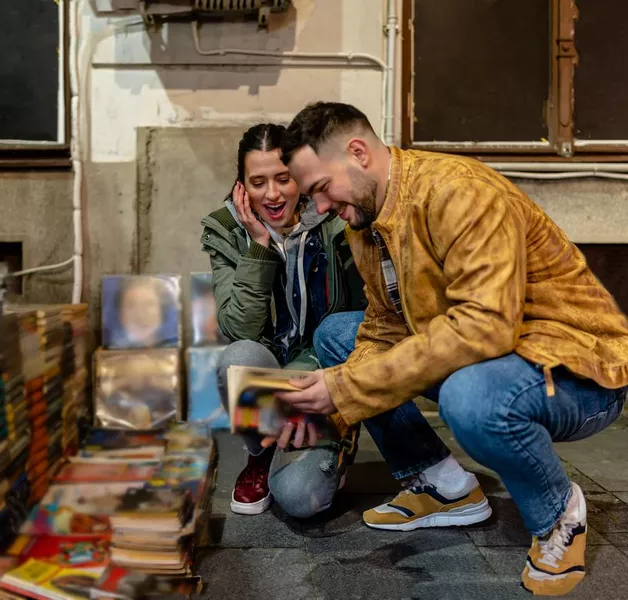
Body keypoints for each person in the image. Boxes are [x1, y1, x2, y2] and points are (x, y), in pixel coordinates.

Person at [277, 102, 628, 595]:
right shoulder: (367, 219)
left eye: (319, 188)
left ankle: (558, 515)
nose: (320, 208)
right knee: (339, 333)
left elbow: (486, 327)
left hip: (578, 371)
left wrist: (345, 387)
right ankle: (442, 487)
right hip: (498, 358)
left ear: (357, 152)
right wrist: (326, 411)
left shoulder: (459, 192)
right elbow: (383, 329)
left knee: (471, 397)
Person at [201, 123, 488, 522]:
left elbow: (366, 322)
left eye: (283, 179)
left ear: (300, 177)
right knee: (237, 355)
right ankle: (261, 455)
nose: (272, 194)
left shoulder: (338, 220)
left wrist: (342, 397)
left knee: (301, 500)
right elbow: (241, 328)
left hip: (324, 373)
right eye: (258, 182)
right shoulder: (228, 230)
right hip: (267, 375)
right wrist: (257, 248)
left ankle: (338, 440)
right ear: (242, 187)